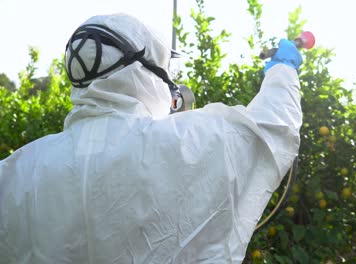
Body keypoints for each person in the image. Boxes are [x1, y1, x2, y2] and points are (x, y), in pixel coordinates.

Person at [0, 13, 302, 263]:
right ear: (143, 71)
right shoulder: (185, 143)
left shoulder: (17, 170)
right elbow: (272, 125)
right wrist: (283, 71)